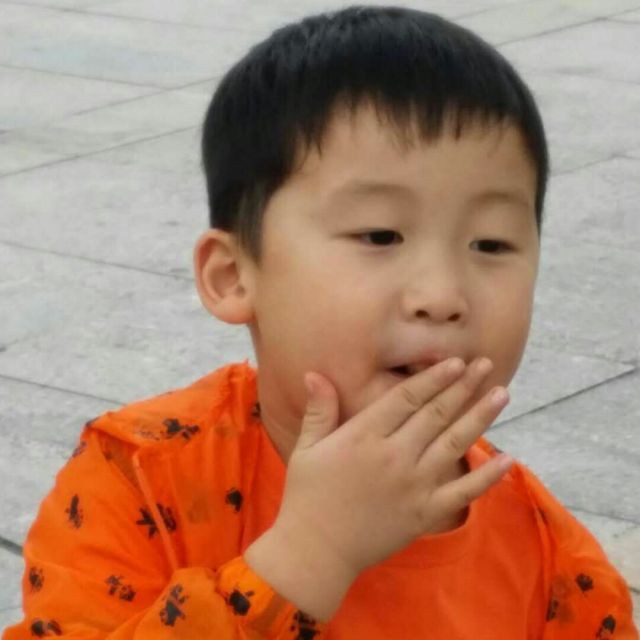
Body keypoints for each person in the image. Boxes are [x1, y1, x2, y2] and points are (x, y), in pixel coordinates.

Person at [3, 6, 637, 639]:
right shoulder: (139, 480)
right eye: (380, 235)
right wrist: (310, 555)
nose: (443, 295)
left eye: (492, 244)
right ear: (233, 275)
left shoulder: (551, 559)